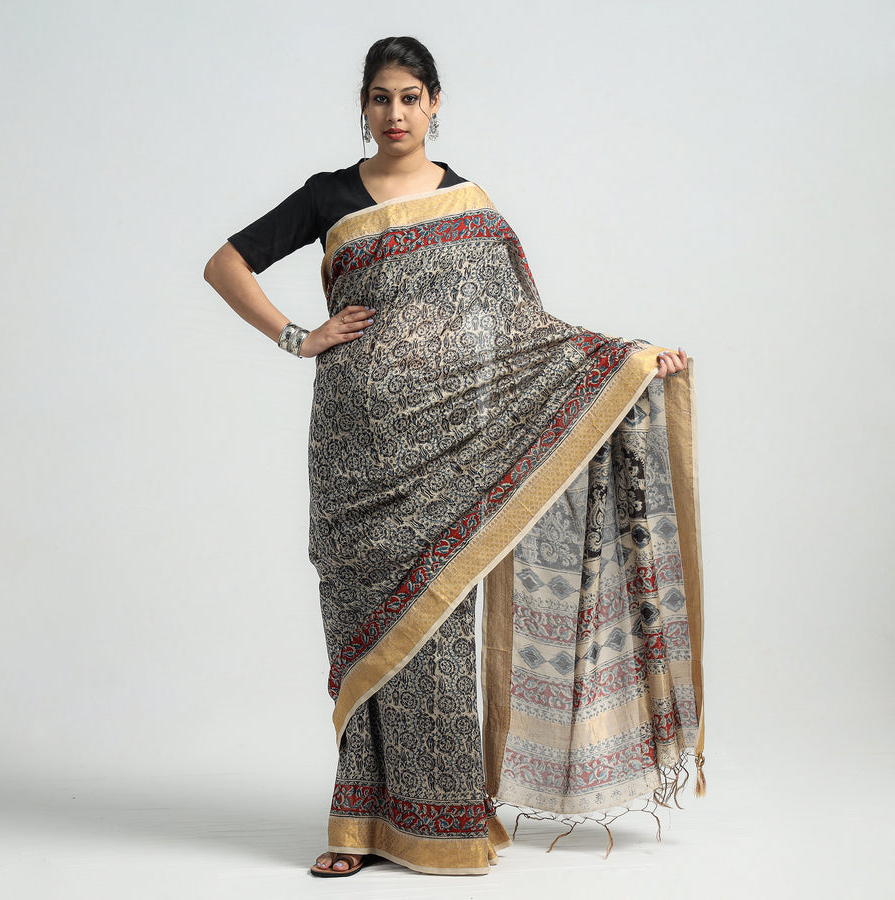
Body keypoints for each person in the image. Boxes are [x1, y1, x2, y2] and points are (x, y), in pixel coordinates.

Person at [204, 36, 703, 878]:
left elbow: (524, 332)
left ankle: (439, 822)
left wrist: (629, 359)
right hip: (354, 446)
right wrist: (298, 336)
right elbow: (225, 264)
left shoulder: (468, 205)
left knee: (435, 632)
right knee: (358, 631)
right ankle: (357, 826)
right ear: (363, 107)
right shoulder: (328, 195)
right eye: (380, 98)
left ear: (435, 104)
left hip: (445, 455)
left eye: (409, 97)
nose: (394, 113)